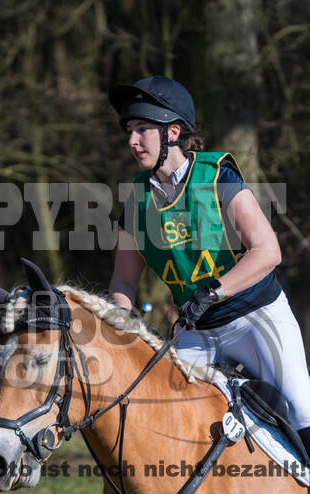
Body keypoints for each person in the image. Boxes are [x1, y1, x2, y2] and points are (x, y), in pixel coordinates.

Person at [108, 75, 310, 457]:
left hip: (256, 318)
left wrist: (213, 291)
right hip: (197, 329)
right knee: (156, 417)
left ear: (173, 131)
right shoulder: (136, 202)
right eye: (129, 131)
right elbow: (123, 278)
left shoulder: (219, 179)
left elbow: (268, 252)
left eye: (142, 130)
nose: (132, 141)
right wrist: (120, 316)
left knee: (302, 410)